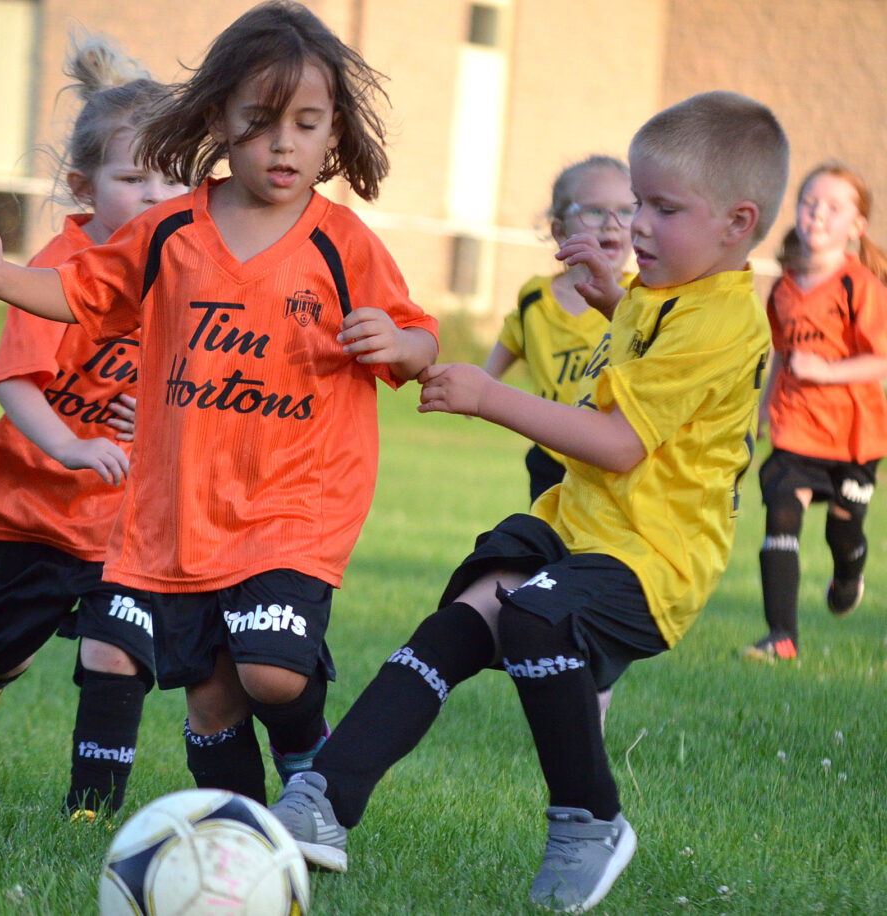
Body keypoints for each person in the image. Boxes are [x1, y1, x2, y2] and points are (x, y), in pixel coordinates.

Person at [268, 90, 789, 913]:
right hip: (581, 525)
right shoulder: (671, 290)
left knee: (534, 617)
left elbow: (619, 442)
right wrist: (614, 296)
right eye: (634, 202)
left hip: (653, 557)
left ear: (738, 222)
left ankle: (591, 821)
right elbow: (652, 356)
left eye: (662, 207)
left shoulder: (724, 320)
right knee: (462, 619)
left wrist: (486, 394)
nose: (639, 224)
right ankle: (322, 801)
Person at [0, 1, 439, 808]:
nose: (284, 143)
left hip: (297, 503)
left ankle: (314, 767)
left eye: (307, 124)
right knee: (211, 697)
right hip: (187, 512)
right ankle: (243, 834)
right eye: (260, 121)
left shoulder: (342, 244)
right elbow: (79, 290)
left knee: (271, 672)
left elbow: (418, 342)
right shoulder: (171, 231)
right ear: (217, 120)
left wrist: (403, 346)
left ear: (335, 134)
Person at [0, 34, 189, 819]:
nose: (154, 196)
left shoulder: (188, 270)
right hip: (32, 506)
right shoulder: (60, 265)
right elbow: (14, 381)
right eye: (131, 178)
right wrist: (73, 445)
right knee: (6, 643)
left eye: (171, 178)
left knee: (116, 649)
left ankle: (92, 812)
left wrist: (160, 418)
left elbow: (209, 383)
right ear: (84, 185)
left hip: (123, 517)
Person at [744, 163, 887, 662]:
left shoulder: (860, 285)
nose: (817, 214)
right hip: (795, 427)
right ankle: (781, 637)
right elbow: (782, 355)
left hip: (854, 437)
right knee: (780, 514)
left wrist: (825, 372)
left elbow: (882, 358)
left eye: (833, 206)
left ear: (856, 225)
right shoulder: (783, 287)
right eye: (809, 203)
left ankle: (849, 573)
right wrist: (761, 409)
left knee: (843, 531)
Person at [484, 155, 635, 504]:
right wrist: (480, 382)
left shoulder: (639, 298)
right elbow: (512, 338)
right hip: (550, 458)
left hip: (610, 462)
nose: (612, 224)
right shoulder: (535, 297)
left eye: (626, 212)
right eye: (595, 211)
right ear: (559, 230)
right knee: (544, 547)